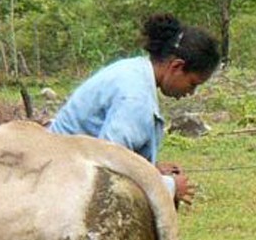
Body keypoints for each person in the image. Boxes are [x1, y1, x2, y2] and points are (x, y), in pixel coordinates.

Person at [49, 13, 220, 208]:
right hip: (63, 181)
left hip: (64, 165)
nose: (191, 92)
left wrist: (151, 170)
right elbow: (108, 166)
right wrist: (169, 186)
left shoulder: (133, 70)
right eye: (192, 83)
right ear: (177, 66)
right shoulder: (136, 98)